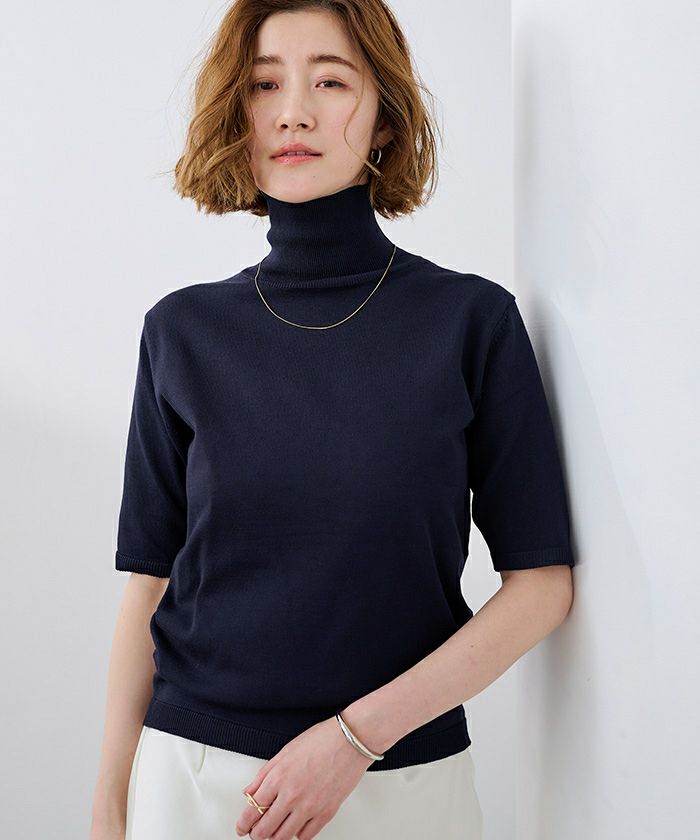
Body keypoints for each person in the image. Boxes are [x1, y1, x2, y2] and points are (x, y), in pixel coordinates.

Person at [90, 2, 575, 839]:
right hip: (196, 782)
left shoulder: (470, 323)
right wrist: (109, 807)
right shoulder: (181, 331)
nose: (293, 112)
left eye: (330, 82)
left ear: (384, 117)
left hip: (404, 783)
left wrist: (356, 738)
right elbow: (150, 583)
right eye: (263, 85)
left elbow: (542, 588)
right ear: (236, 114)